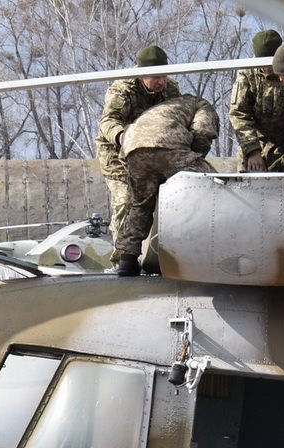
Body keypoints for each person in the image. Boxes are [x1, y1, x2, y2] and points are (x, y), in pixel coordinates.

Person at [115, 95, 219, 276]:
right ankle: (214, 249)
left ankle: (127, 260)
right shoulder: (202, 104)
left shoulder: (163, 109)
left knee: (140, 204)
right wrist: (193, 158)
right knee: (215, 187)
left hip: (131, 148)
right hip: (168, 145)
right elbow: (203, 131)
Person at [96, 45, 180, 264]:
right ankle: (121, 259)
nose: (161, 81)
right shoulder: (122, 88)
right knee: (125, 200)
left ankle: (163, 255)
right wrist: (123, 137)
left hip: (153, 155)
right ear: (142, 74)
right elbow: (108, 120)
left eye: (164, 76)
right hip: (118, 155)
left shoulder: (170, 90)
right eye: (155, 77)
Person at [229, 30, 284, 172]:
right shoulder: (247, 73)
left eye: (270, 63)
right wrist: (253, 150)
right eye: (262, 63)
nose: (267, 68)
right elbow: (238, 113)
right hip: (256, 143)